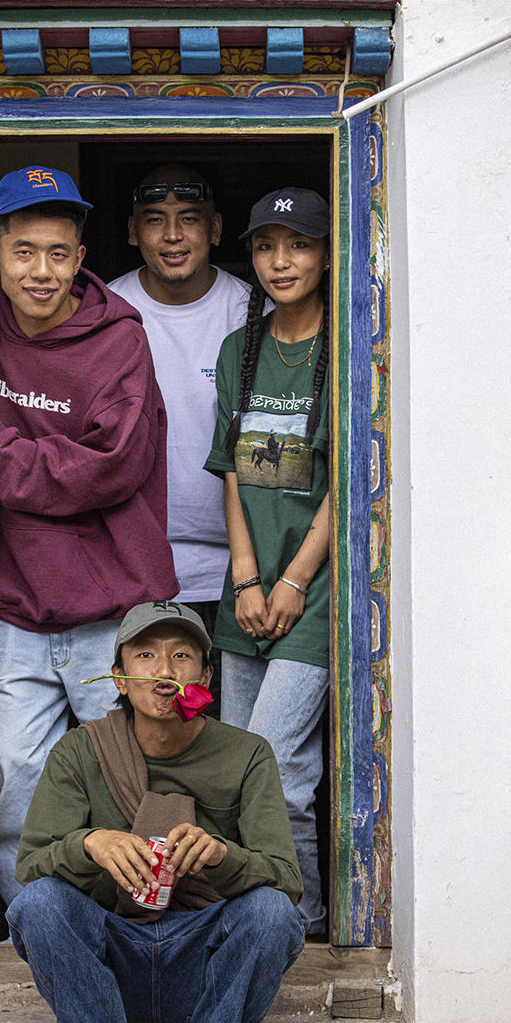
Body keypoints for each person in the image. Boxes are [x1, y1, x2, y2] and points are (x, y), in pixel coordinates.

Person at [0, 167, 178, 906]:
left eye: (59, 253)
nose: (41, 271)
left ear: (80, 259)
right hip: (14, 607)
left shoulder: (118, 343)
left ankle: (137, 930)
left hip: (110, 608)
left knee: (131, 780)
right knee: (18, 777)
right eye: (25, 252)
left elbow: (112, 465)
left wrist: (1, 447)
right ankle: (36, 930)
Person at [7, 600, 304, 1023]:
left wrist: (222, 855)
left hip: (203, 968)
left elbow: (285, 879)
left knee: (272, 912)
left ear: (206, 677)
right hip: (109, 966)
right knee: (38, 905)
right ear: (119, 678)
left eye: (182, 656)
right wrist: (89, 843)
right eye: (145, 655)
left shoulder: (247, 754)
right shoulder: (81, 751)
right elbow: (31, 865)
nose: (164, 670)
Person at [205, 188, 331, 937]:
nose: (280, 262)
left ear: (327, 254)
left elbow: (348, 484)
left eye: (299, 244)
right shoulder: (239, 350)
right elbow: (232, 470)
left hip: (312, 591)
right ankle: (251, 918)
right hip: (248, 590)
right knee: (234, 773)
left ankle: (301, 923)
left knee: (280, 770)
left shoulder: (348, 346)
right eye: (264, 246)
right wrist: (248, 578)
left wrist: (293, 579)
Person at [108, 166, 251, 711]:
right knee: (140, 738)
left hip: (235, 575)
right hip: (130, 569)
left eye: (189, 219)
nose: (172, 236)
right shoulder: (104, 310)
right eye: (155, 220)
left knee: (222, 734)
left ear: (215, 229)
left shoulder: (253, 312)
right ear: (131, 231)